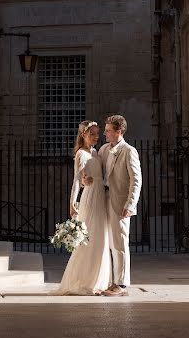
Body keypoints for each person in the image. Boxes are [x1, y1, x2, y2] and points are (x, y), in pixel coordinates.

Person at [83, 115, 142, 297]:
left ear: (119, 131)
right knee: (106, 241)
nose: (105, 133)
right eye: (106, 130)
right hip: (103, 199)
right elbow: (98, 171)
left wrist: (130, 204)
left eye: (108, 130)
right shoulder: (103, 150)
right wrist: (88, 179)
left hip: (120, 202)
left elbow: (136, 180)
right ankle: (110, 280)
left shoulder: (129, 151)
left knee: (119, 242)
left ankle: (121, 284)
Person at [53, 120, 110, 295]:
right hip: (90, 199)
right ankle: (84, 281)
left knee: (101, 239)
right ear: (83, 135)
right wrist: (72, 203)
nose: (95, 137)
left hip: (101, 197)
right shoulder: (81, 154)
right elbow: (77, 181)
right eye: (91, 134)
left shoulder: (97, 153)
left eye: (97, 133)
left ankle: (98, 281)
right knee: (89, 240)